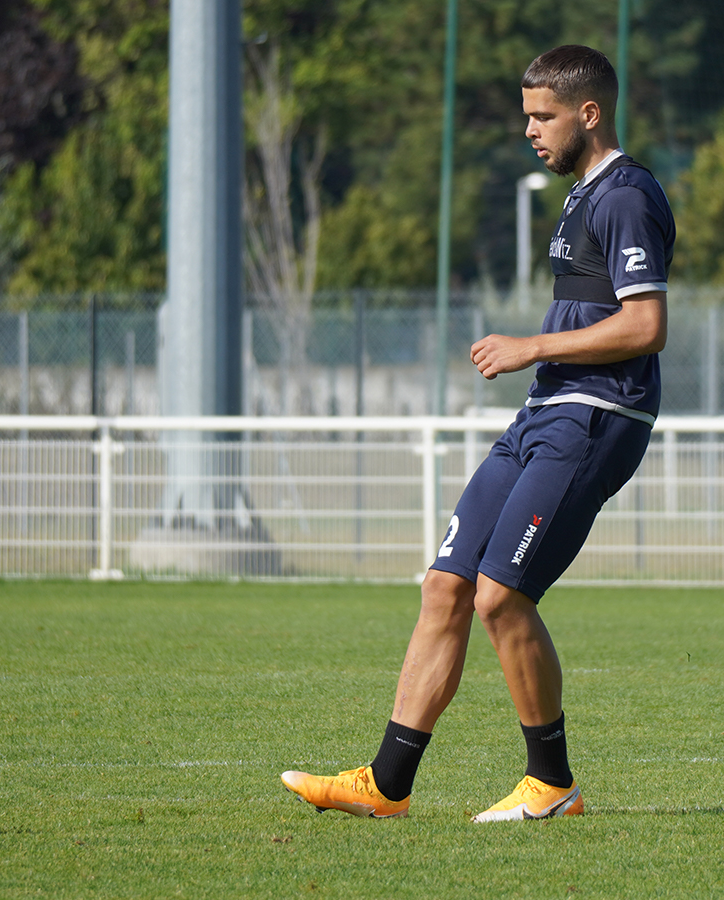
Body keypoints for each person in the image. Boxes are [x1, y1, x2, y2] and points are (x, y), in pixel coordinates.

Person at [281, 44, 675, 822]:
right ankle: (386, 785)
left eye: (543, 116)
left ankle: (552, 784)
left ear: (589, 113)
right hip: (545, 411)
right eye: (526, 116)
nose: (530, 130)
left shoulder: (627, 195)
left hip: (597, 417)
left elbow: (646, 325)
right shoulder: (581, 196)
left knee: (501, 596)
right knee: (447, 585)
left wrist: (532, 346)